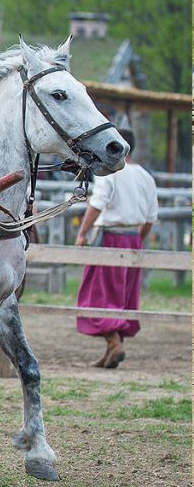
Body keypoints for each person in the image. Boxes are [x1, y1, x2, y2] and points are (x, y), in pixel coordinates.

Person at [75, 128, 157, 369]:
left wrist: (82, 233)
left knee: (99, 293)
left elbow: (97, 205)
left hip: (110, 237)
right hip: (133, 238)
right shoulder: (145, 176)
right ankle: (112, 346)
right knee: (122, 294)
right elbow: (151, 217)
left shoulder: (110, 173)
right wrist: (138, 239)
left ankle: (114, 341)